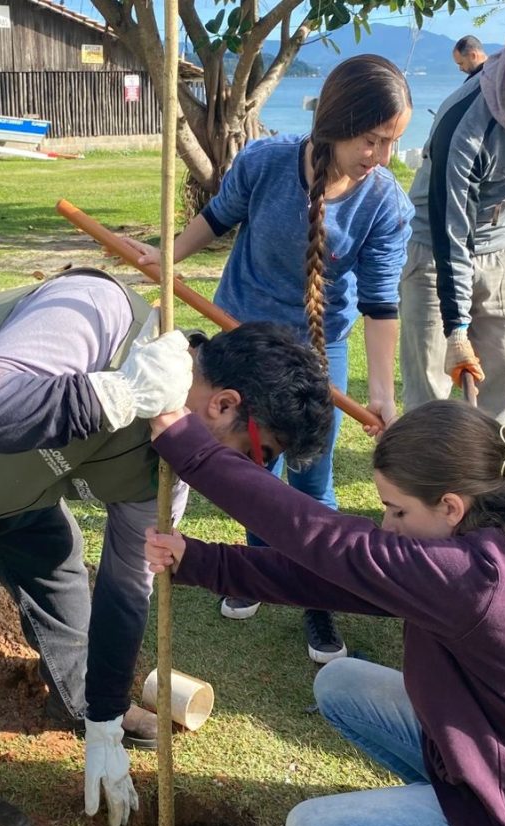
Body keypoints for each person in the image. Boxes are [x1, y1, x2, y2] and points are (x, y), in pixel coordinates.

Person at [0, 269, 334, 826]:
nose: (244, 475)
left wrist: (105, 718)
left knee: (57, 566)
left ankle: (80, 702)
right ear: (224, 405)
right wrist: (120, 394)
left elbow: (127, 590)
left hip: (0, 477)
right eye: (256, 454)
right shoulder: (97, 316)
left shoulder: (165, 474)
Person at [143, 399, 505, 826]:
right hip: (496, 747)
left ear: (451, 506)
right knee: (341, 684)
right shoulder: (504, 530)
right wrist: (206, 562)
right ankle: (459, 819)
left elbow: (330, 542)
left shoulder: (477, 580)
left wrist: (192, 447)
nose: (386, 525)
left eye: (397, 510)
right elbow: (344, 576)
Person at [124, 54, 414, 665]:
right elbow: (215, 218)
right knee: (252, 468)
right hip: (244, 343)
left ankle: (318, 593)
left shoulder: (384, 203)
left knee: (312, 477)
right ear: (336, 123)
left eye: (392, 142)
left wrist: (382, 393)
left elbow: (381, 302)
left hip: (318, 354)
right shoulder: (265, 162)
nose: (382, 157)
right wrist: (165, 257)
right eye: (372, 139)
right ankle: (255, 568)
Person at [401, 0, 505, 423]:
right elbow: (452, 227)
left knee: (503, 374)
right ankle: (427, 464)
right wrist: (457, 327)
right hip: (436, 252)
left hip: (504, 250)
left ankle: (491, 463)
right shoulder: (464, 120)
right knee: (431, 392)